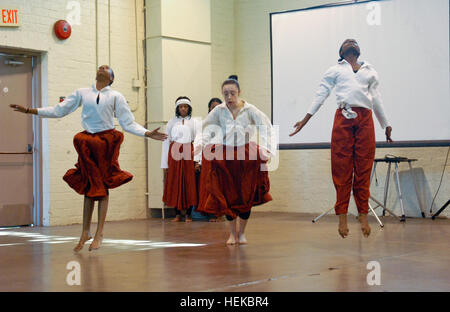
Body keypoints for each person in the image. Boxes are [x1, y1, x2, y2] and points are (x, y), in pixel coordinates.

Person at [10, 65, 167, 251]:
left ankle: (99, 233)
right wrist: (30, 110)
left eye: (106, 68)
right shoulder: (82, 93)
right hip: (87, 143)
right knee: (89, 185)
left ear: (110, 78)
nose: (102, 68)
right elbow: (59, 110)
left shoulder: (116, 96)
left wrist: (147, 133)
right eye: (100, 67)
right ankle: (86, 231)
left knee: (101, 186)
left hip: (106, 143)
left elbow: (128, 123)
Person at [290, 39, 393, 238]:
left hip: (365, 119)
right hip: (344, 118)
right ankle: (342, 216)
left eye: (354, 42)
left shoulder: (370, 70)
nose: (351, 42)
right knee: (341, 168)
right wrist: (305, 119)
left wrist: (385, 124)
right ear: (341, 52)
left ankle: (363, 214)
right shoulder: (335, 70)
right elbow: (321, 94)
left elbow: (376, 98)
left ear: (359, 50)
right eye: (347, 42)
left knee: (363, 167)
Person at [197, 75, 275, 245]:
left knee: (246, 195)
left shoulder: (250, 110)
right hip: (226, 155)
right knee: (227, 195)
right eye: (225, 94)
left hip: (246, 155)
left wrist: (268, 149)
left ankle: (242, 233)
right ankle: (232, 233)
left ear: (239, 92)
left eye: (232, 93)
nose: (229, 97)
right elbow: (205, 129)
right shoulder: (218, 111)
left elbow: (266, 127)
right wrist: (198, 149)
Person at [161, 96, 201, 222]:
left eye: (185, 106)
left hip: (189, 152)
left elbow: (199, 140)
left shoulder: (195, 122)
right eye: (181, 106)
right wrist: (165, 164)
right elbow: (166, 142)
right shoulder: (171, 123)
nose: (183, 109)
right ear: (177, 108)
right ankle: (177, 214)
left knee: (189, 182)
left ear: (189, 108)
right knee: (175, 182)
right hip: (174, 153)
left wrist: (197, 160)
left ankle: (188, 214)